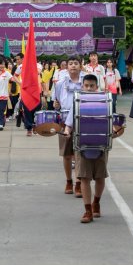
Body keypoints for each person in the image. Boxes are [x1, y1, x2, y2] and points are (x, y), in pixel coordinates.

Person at [62, 74, 108, 223]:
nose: (88, 88)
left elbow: (111, 120)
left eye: (92, 86)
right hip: (82, 145)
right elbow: (69, 122)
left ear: (97, 87)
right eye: (86, 86)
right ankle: (87, 210)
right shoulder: (77, 102)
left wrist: (115, 129)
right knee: (84, 178)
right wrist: (67, 131)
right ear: (82, 86)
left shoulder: (105, 101)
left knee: (100, 177)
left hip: (101, 145)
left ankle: (97, 202)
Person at [53, 56, 84, 197]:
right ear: (66, 66)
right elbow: (57, 101)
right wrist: (56, 104)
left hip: (82, 119)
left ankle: (78, 183)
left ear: (80, 66)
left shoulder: (86, 81)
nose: (73, 66)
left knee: (79, 153)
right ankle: (68, 181)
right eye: (70, 63)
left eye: (76, 63)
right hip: (64, 119)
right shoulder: (60, 83)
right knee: (66, 154)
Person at [0, 58, 14, 131]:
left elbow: (13, 79)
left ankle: (0, 124)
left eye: (3, 64)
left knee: (2, 110)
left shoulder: (7, 73)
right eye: (0, 64)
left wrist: (21, 83)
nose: (2, 66)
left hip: (4, 96)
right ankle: (1, 121)